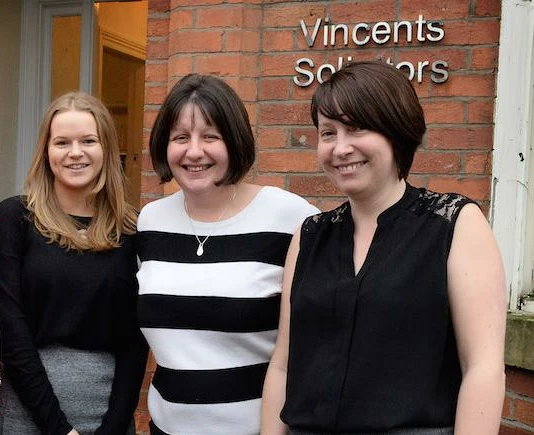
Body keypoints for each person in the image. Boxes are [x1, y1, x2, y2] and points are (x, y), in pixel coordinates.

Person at [260, 61, 506, 434]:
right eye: (328, 133)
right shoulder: (310, 236)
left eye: (356, 128)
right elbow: (283, 363)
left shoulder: (454, 224)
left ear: (396, 131)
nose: (340, 148)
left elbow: (483, 368)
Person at [136, 74, 319, 435]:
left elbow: (316, 338)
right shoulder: (150, 221)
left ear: (234, 141)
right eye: (180, 138)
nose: (194, 152)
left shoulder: (291, 217)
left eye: (210, 136)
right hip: (166, 428)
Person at [0, 92, 148, 435]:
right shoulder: (15, 217)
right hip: (28, 413)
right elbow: (11, 328)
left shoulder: (132, 229)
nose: (75, 153)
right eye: (62, 142)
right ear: (46, 152)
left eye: (88, 141)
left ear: (106, 148)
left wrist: (115, 426)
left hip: (110, 415)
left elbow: (135, 340)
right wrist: (58, 428)